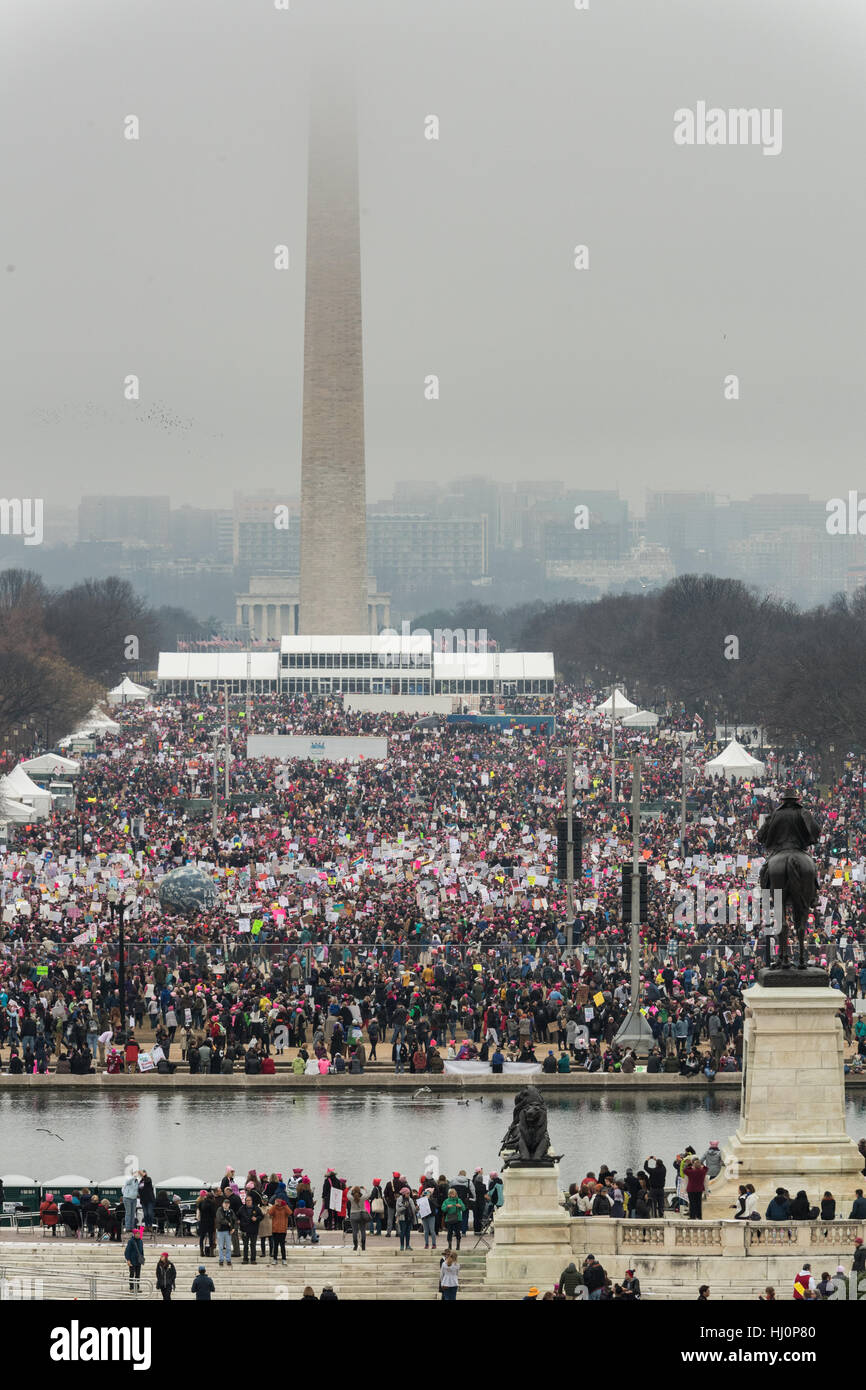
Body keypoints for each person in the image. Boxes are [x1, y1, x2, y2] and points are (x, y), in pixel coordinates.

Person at [239, 1193, 262, 1263]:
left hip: (253, 1229)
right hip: (245, 1230)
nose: (248, 1202)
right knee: (245, 1245)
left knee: (253, 1245)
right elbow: (237, 1215)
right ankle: (245, 1259)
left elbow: (261, 1216)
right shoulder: (242, 1208)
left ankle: (253, 1259)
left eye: (249, 1200)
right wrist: (238, 1221)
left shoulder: (256, 1208)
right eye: (247, 1200)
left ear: (252, 1201)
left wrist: (257, 1218)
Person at [215, 1197, 236, 1267]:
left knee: (228, 1247)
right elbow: (220, 1219)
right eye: (225, 1203)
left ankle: (228, 1259)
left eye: (228, 1203)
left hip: (228, 1231)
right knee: (220, 1246)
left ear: (229, 1205)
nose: (226, 1205)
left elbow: (234, 1220)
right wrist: (228, 1223)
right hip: (220, 1230)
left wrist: (233, 1228)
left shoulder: (231, 1211)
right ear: (222, 1204)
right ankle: (221, 1259)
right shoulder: (219, 1210)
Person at [395, 1186, 417, 1252]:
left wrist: (417, 1209)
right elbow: (397, 1210)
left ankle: (407, 1245)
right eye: (407, 1193)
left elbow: (413, 1209)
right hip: (402, 1218)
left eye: (409, 1193)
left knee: (408, 1232)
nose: (409, 1194)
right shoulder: (399, 1200)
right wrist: (405, 1206)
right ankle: (402, 1246)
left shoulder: (410, 1199)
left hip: (409, 1218)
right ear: (404, 1193)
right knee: (402, 1232)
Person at [269, 1197, 290, 1263]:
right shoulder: (274, 1208)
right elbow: (270, 1213)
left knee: (282, 1245)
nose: (279, 1203)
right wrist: (274, 1205)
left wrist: (285, 1205)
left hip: (283, 1230)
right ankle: (275, 1259)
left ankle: (284, 1259)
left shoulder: (285, 1208)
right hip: (275, 1230)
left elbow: (290, 1213)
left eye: (280, 1202)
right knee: (275, 1245)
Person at [348, 1185, 368, 1252]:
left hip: (353, 1215)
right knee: (363, 1231)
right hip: (362, 1215)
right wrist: (365, 1188)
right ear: (360, 1191)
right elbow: (369, 1194)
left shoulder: (351, 1198)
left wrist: (351, 1189)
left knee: (354, 1231)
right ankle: (363, 1246)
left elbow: (347, 1194)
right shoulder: (363, 1198)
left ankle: (355, 1246)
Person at [124, 1226, 145, 1292]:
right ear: (134, 1234)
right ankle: (131, 1288)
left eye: (139, 1233)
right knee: (132, 1274)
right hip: (132, 1261)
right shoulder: (131, 1241)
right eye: (137, 1233)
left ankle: (137, 1288)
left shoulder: (141, 1241)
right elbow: (127, 1251)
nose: (138, 1235)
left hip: (138, 1261)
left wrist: (142, 1258)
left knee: (138, 1275)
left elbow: (142, 1251)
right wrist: (128, 1260)